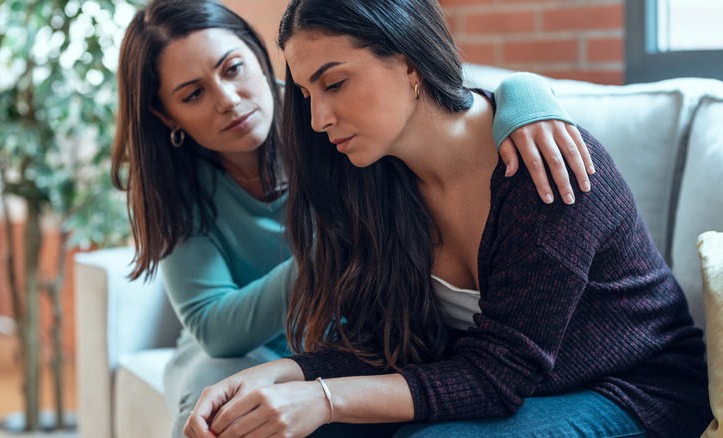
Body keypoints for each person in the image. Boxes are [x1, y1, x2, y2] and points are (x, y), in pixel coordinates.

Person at [182, 0, 713, 437]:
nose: (318, 119)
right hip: (516, 384)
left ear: (409, 61)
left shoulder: (541, 166)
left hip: (632, 388)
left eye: (335, 83)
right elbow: (385, 349)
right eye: (306, 95)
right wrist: (283, 374)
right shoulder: (378, 180)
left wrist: (322, 397)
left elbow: (499, 375)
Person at [111, 0, 595, 436]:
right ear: (166, 115)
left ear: (259, 59)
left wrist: (527, 95)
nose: (229, 99)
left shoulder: (346, 131)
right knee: (214, 394)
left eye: (233, 68)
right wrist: (337, 250)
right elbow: (217, 331)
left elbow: (445, 98)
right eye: (193, 94)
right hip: (276, 344)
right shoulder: (187, 181)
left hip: (350, 334)